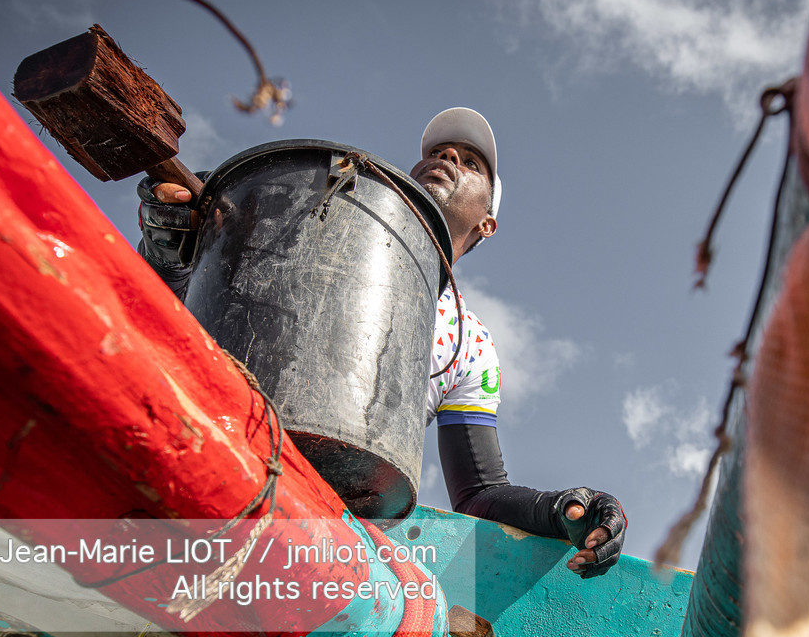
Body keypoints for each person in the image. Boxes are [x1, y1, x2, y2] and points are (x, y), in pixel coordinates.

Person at [138, 107, 627, 575]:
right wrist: (173, 255)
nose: (447, 157)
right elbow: (177, 320)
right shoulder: (309, 224)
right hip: (194, 447)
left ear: (487, 222)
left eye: (470, 162)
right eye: (438, 152)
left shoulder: (469, 343)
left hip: (328, 517)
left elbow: (479, 492)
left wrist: (560, 508)